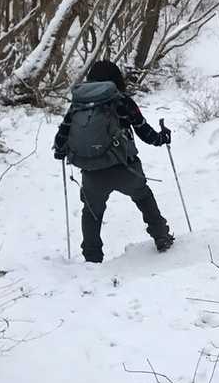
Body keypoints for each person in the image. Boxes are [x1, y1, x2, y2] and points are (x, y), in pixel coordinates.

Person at [54, 60, 174, 263]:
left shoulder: (79, 104)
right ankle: (161, 235)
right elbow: (144, 132)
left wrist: (60, 151)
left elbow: (62, 136)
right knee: (143, 196)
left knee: (92, 212)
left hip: (92, 172)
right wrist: (162, 138)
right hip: (125, 167)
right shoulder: (122, 101)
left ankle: (92, 258)